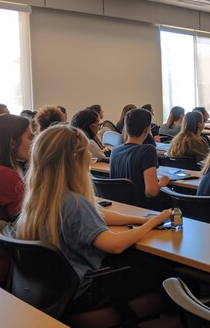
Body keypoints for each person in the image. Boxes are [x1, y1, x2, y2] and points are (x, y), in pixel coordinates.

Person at [14, 124, 170, 320]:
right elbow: (114, 245)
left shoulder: (42, 198)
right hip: (84, 292)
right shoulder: (74, 203)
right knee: (166, 274)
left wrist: (142, 219)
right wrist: (150, 224)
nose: (91, 154)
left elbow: (98, 215)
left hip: (55, 291)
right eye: (87, 150)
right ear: (74, 158)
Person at [0, 114, 32, 286]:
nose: (33, 143)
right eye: (29, 137)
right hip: (3, 266)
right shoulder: (3, 175)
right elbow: (28, 220)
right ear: (12, 142)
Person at [110, 109, 170, 208]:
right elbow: (151, 192)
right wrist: (161, 183)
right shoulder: (148, 150)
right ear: (147, 129)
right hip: (143, 210)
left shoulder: (115, 151)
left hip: (122, 208)